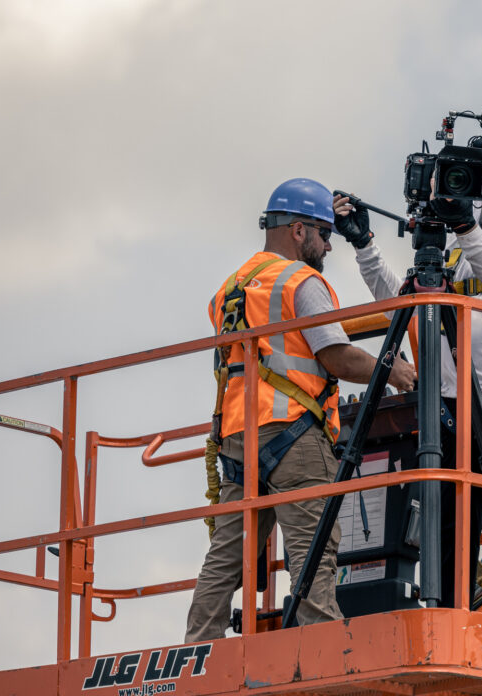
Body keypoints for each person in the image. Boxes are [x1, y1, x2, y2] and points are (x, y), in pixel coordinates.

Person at [333, 118, 482, 619]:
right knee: (447, 535)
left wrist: (464, 226)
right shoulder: (464, 244)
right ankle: (449, 626)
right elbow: (406, 305)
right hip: (454, 409)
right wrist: (365, 247)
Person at [186, 177, 416, 641]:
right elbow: (335, 357)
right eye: (324, 233)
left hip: (238, 439)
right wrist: (395, 371)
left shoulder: (230, 288)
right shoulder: (301, 281)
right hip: (293, 433)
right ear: (298, 230)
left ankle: (199, 646)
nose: (328, 245)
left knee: (227, 554)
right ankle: (322, 647)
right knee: (314, 549)